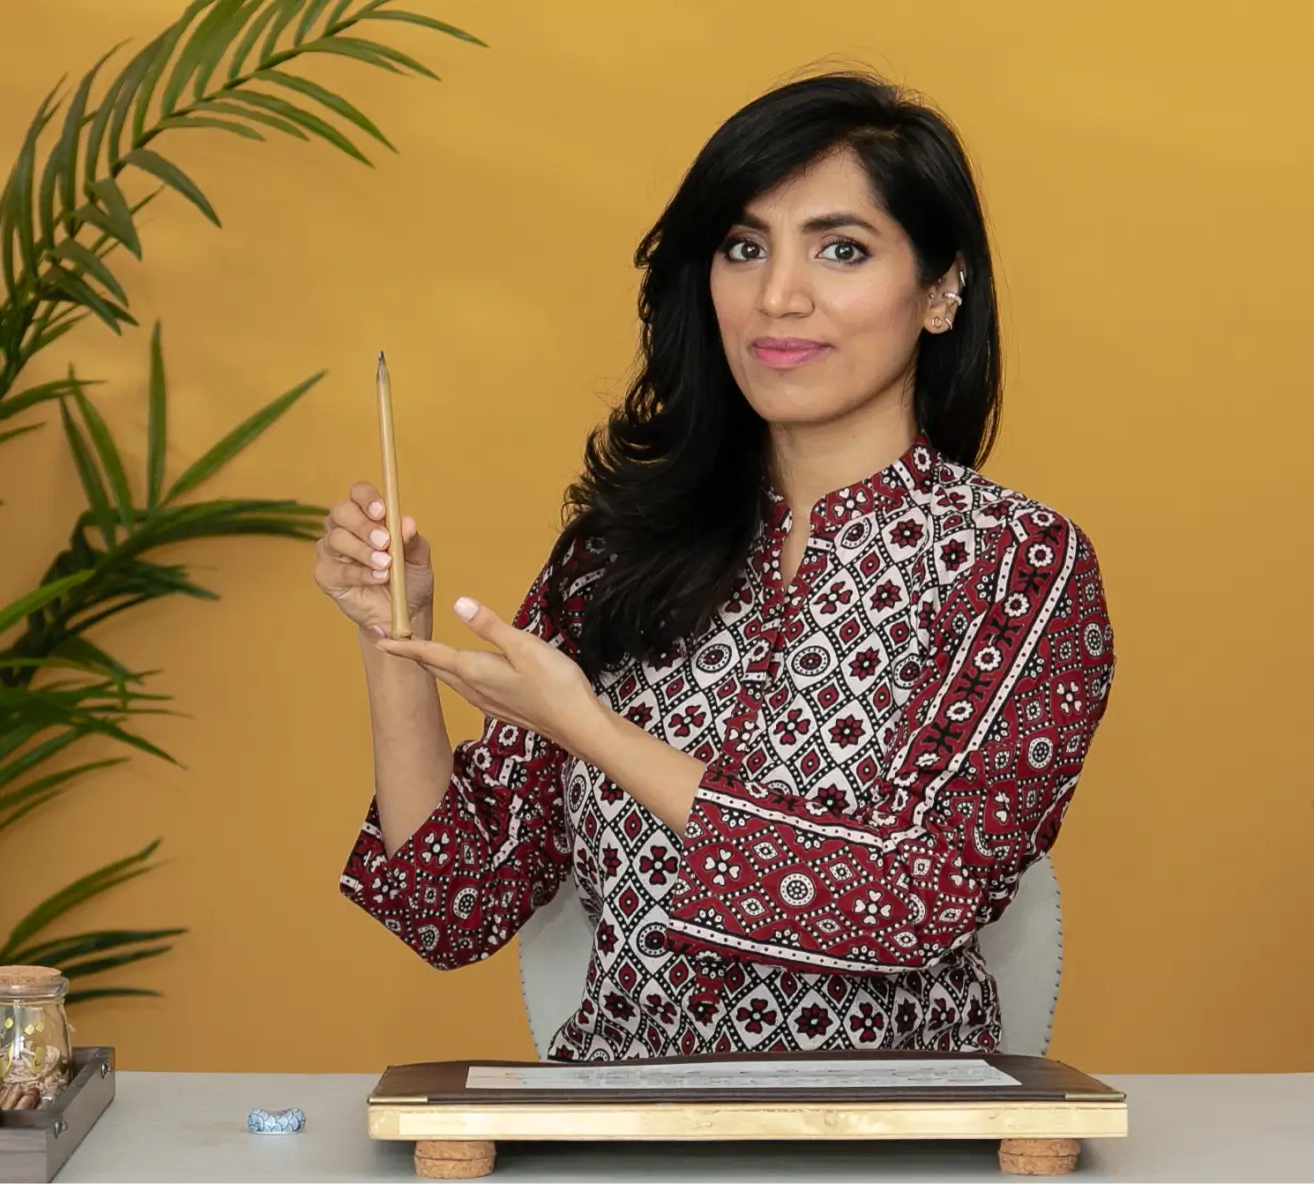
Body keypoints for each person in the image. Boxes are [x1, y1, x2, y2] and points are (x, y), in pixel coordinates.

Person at [315, 72, 1115, 1060]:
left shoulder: (1018, 565)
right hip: (619, 1130)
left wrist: (594, 730)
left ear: (941, 287)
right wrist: (393, 635)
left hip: (899, 1140)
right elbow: (451, 908)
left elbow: (918, 897)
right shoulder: (617, 555)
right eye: (744, 247)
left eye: (842, 248)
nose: (779, 295)